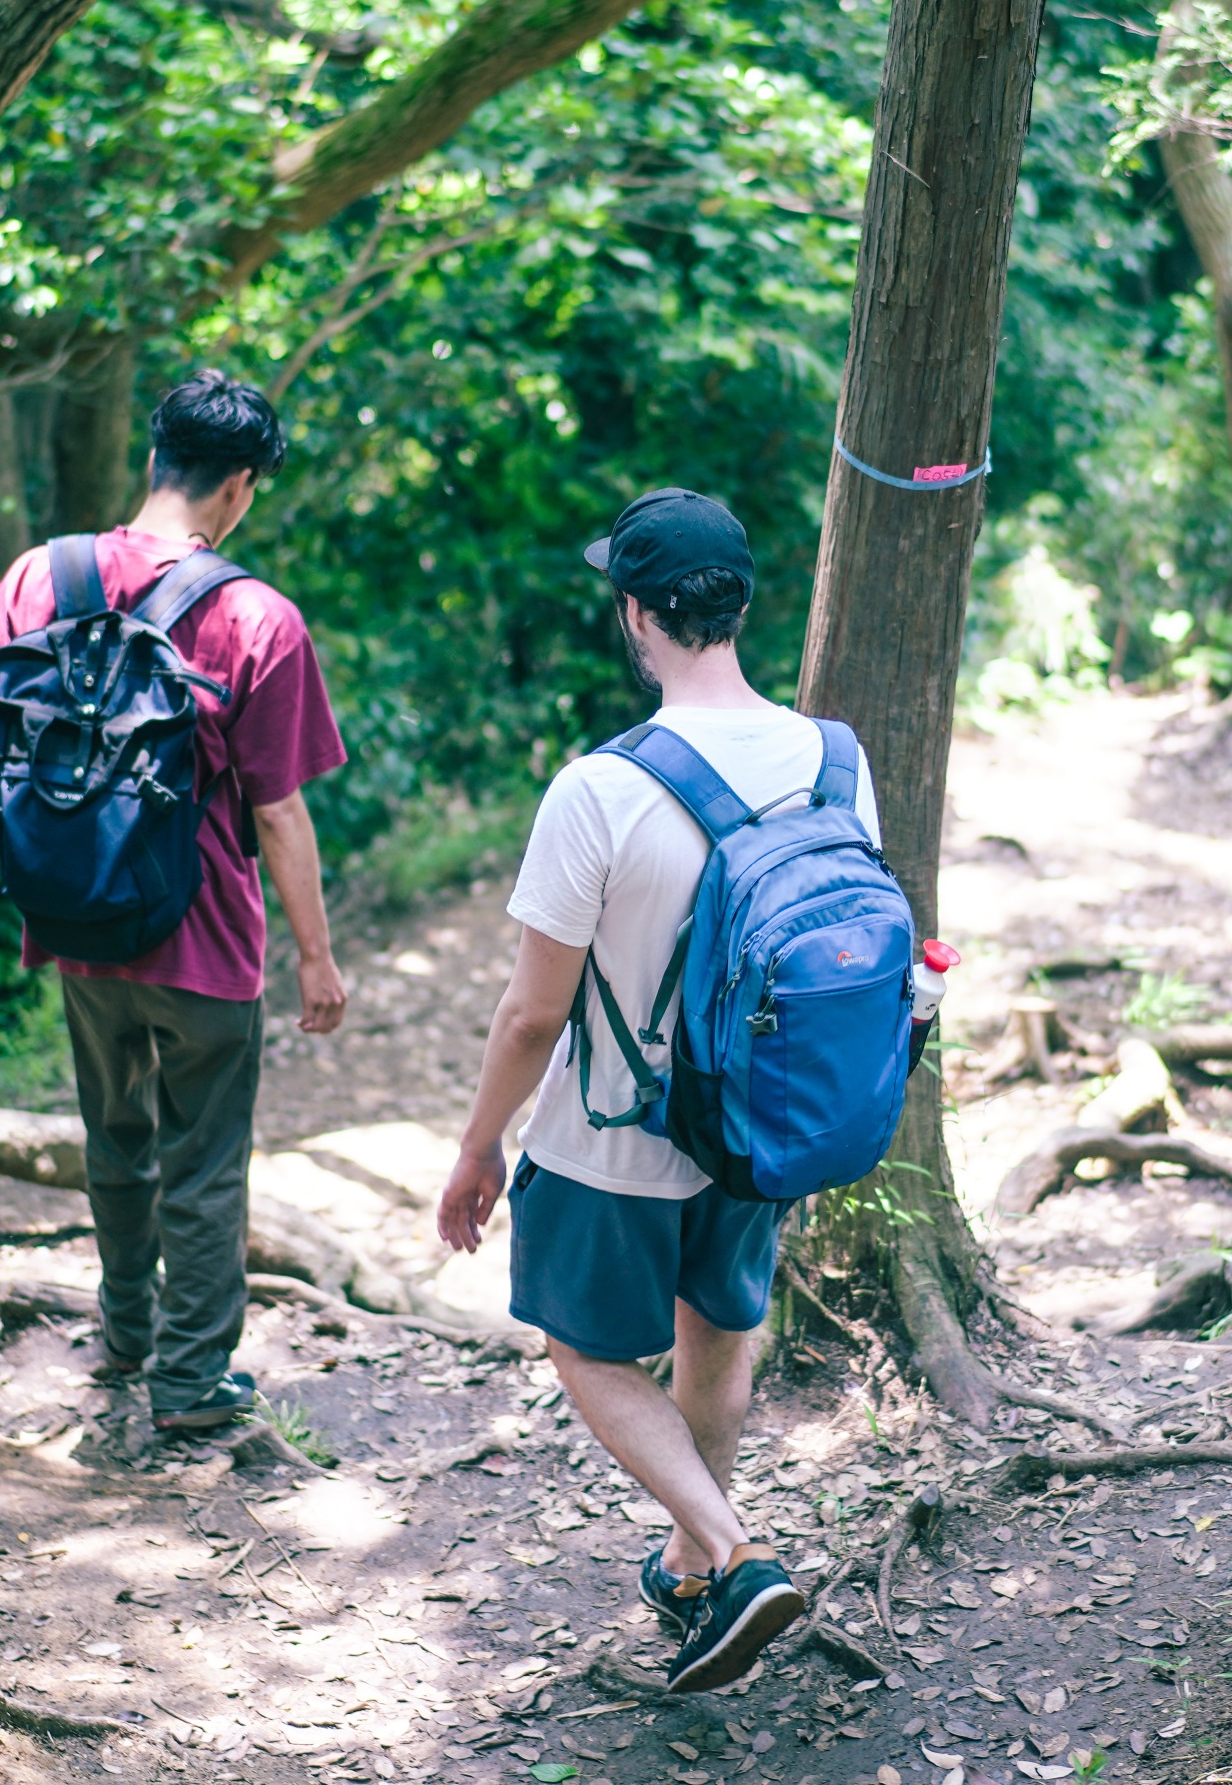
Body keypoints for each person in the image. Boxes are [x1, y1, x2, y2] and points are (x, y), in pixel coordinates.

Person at [437, 487, 876, 1694]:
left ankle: (733, 1554)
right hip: (758, 1123)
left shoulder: (601, 787)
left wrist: (480, 1146)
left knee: (581, 1347)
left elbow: (534, 1011)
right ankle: (692, 1562)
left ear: (635, 612)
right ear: (739, 604)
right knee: (719, 1323)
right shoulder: (836, 758)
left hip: (610, 1136)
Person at [0, 371, 350, 1436]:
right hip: (204, 940)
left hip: (75, 925)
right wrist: (316, 957)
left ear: (155, 459)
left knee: (118, 1138)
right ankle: (190, 1384)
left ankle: (125, 1332)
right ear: (237, 487)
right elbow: (278, 812)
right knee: (203, 1160)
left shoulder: (39, 576)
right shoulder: (256, 617)